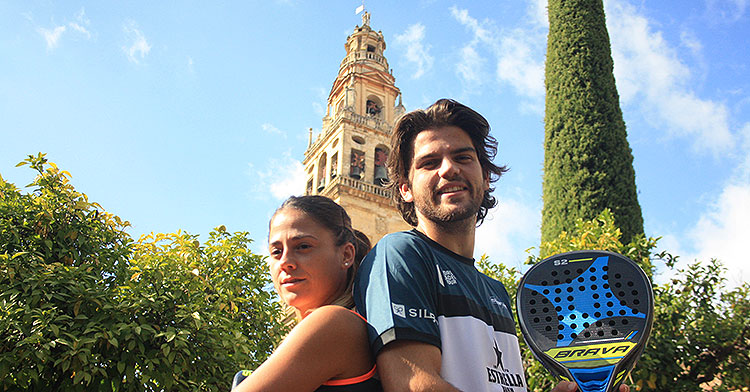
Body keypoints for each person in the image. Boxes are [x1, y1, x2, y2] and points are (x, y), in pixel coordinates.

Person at [353, 99, 629, 392]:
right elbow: (415, 385)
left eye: (463, 157)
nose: (448, 169)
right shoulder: (401, 254)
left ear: (485, 177)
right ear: (405, 189)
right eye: (429, 163)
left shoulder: (495, 290)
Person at [233, 195, 381, 392]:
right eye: (276, 251)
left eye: (303, 246)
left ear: (346, 255)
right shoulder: (350, 324)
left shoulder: (334, 322)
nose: (285, 262)